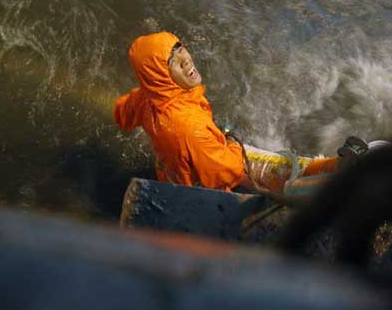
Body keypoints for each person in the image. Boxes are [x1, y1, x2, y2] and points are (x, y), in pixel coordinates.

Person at [114, 31, 358, 195]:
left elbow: (122, 115)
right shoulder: (189, 128)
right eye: (172, 63)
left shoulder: (148, 96)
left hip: (174, 175)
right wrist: (230, 143)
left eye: (180, 49)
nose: (186, 61)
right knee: (267, 168)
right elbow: (227, 171)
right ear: (158, 76)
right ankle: (335, 169)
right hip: (202, 188)